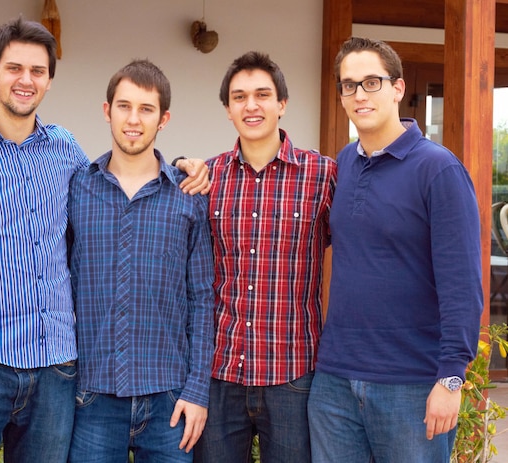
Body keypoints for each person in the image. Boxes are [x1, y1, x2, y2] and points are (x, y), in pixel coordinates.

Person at [0, 18, 209, 463]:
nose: (26, 80)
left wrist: (180, 168)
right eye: (14, 68)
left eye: (38, 71)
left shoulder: (65, 151)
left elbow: (119, 182)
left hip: (56, 377)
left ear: (49, 81)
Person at [307, 37, 483, 463]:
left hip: (411, 384)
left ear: (398, 88)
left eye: (372, 82)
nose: (359, 94)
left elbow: (463, 285)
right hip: (334, 380)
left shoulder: (438, 169)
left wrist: (452, 380)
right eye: (349, 85)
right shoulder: (343, 164)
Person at [66, 59, 215, 463]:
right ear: (107, 110)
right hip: (91, 396)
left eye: (146, 109)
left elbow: (203, 300)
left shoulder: (188, 195)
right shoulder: (77, 188)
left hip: (170, 400)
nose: (134, 120)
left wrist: (197, 391)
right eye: (124, 106)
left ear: (163, 119)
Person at [192, 51, 337, 463]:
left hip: (293, 372)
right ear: (227, 109)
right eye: (239, 97)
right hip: (221, 374)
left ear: (282, 104)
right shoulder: (206, 178)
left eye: (262, 94)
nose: (251, 105)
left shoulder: (323, 175)